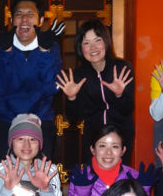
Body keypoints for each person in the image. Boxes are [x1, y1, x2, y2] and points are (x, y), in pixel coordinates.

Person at [0, 0, 63, 176]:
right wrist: (6, 52)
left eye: (30, 14)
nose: (24, 19)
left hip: (41, 119)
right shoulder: (0, 45)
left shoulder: (50, 46)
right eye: (19, 14)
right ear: (12, 20)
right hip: (6, 119)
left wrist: (44, 52)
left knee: (41, 179)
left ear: (40, 20)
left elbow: (52, 87)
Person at [57, 18, 134, 163]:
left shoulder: (122, 68)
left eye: (97, 40)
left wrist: (119, 95)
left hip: (121, 137)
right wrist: (72, 98)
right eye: (86, 43)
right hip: (92, 139)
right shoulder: (78, 76)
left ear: (106, 41)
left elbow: (127, 109)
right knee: (92, 175)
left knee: (120, 175)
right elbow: (73, 118)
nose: (93, 47)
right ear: (80, 47)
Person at [64, 124, 158, 196]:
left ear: (123, 150)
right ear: (92, 149)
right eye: (102, 146)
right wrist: (82, 191)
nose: (108, 153)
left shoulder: (134, 177)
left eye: (115, 146)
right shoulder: (81, 178)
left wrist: (143, 190)